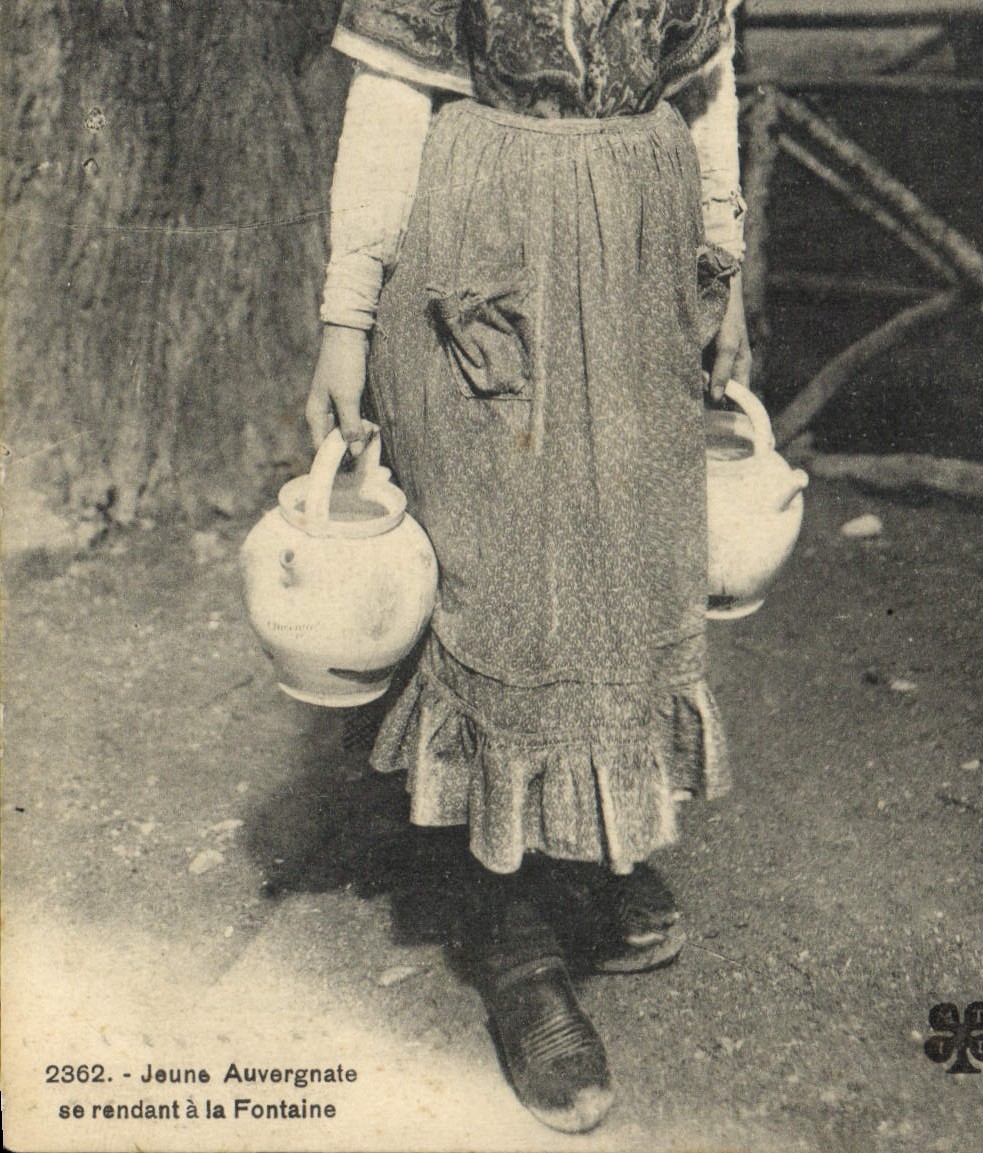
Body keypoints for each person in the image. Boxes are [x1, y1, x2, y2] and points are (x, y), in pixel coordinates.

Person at [305, 0, 751, 1133]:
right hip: (487, 241)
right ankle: (512, 934)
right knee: (506, 575)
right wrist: (347, 318)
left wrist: (724, 262)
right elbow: (393, 92)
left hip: (643, 247)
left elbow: (706, 81)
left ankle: (585, 853)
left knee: (625, 560)